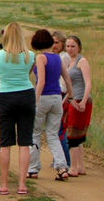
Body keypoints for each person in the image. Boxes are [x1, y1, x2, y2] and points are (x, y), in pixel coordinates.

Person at [0, 22, 36, 195]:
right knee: (24, 142)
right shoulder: (30, 55)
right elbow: (28, 73)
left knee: (5, 142)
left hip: (6, 96)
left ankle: (4, 184)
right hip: (26, 95)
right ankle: (22, 184)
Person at [28, 29, 74, 181]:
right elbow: (67, 79)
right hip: (56, 98)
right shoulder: (57, 58)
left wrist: (35, 100)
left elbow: (40, 81)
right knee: (53, 135)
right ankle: (62, 167)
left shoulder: (41, 58)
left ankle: (33, 169)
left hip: (44, 98)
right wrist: (71, 97)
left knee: (35, 133)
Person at [65, 35, 92, 176]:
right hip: (72, 100)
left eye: (73, 46)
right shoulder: (68, 61)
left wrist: (83, 101)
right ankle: (80, 166)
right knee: (77, 134)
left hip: (81, 100)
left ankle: (74, 167)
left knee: (74, 135)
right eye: (68, 46)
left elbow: (88, 83)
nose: (70, 49)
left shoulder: (82, 61)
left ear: (79, 48)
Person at [51, 30, 71, 168]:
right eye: (52, 42)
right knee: (55, 130)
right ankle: (59, 160)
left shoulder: (63, 57)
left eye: (57, 42)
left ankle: (65, 162)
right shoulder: (57, 56)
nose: (54, 45)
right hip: (58, 93)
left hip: (61, 94)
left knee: (58, 131)